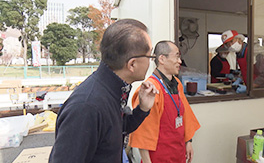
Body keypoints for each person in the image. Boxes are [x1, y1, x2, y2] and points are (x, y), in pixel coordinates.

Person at [49, 19, 159, 163]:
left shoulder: (113, 90)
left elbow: (116, 130)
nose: (150, 62)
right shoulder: (86, 107)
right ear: (132, 64)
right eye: (150, 56)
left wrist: (142, 109)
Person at [129, 41, 200, 163]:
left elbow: (186, 116)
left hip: (178, 153)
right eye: (177, 56)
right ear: (162, 59)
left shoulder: (177, 84)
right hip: (158, 158)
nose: (180, 61)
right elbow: (143, 133)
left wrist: (188, 142)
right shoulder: (151, 89)